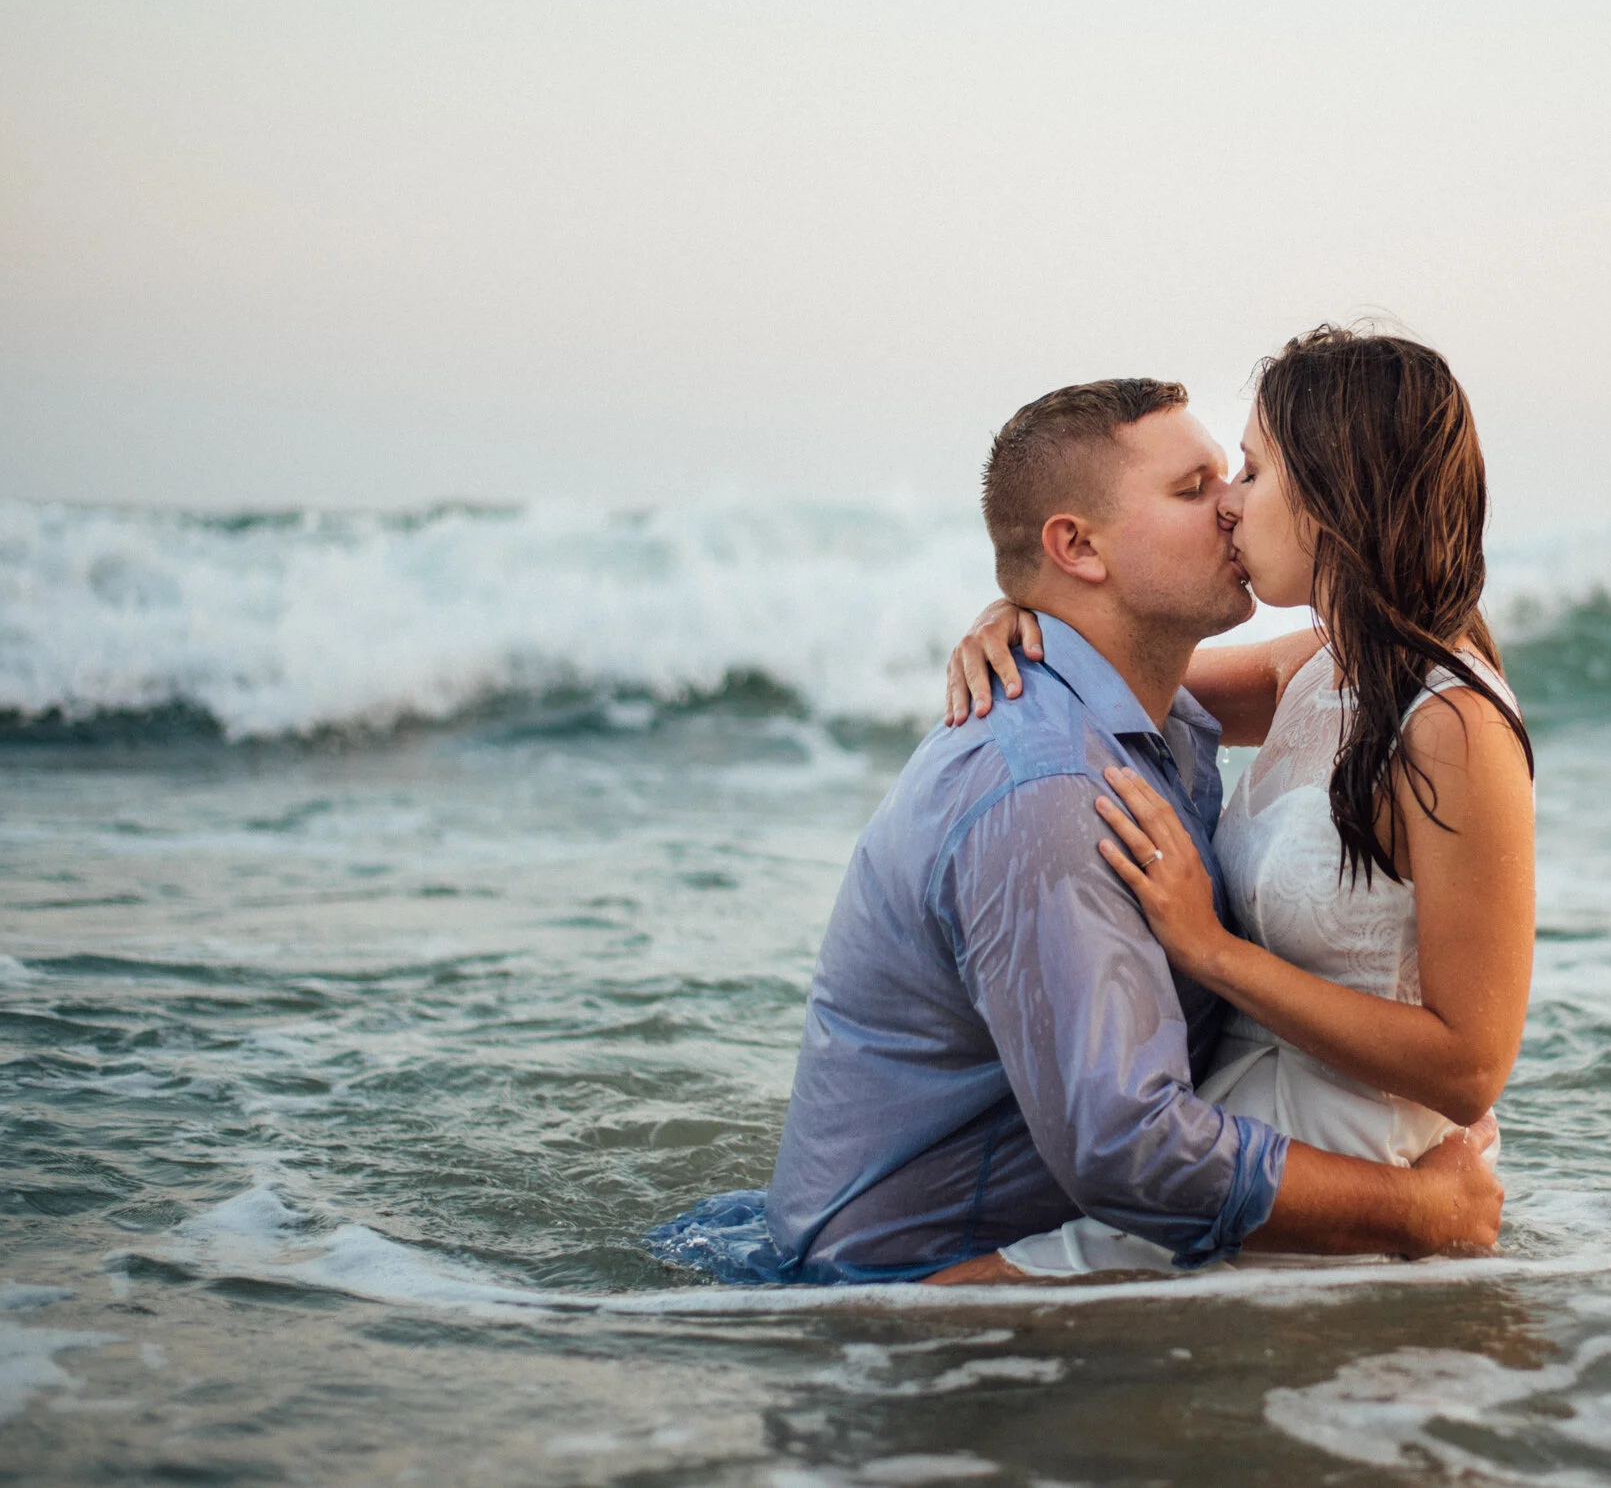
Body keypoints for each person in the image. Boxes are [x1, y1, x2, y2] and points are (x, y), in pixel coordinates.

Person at [643, 376, 1502, 1285]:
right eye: (1193, 487)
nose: (1233, 508)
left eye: (1237, 474)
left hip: (1045, 1240)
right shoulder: (1049, 788)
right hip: (916, 1300)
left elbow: (1406, 671)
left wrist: (1028, 611)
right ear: (1077, 546)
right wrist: (1418, 1211)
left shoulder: (1163, 716)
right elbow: (1130, 1149)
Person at [940, 326, 1537, 1278]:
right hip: (1244, 1118)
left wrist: (1209, 952)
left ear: (1333, 496)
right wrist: (1021, 609)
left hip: (1354, 1155)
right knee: (926, 1301)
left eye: (1253, 473)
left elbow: (1470, 1067)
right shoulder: (1327, 663)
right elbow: (1129, 662)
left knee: (928, 1307)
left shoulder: (1450, 724)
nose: (1231, 506)